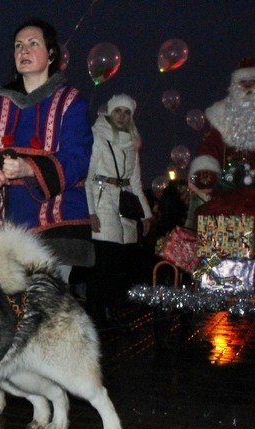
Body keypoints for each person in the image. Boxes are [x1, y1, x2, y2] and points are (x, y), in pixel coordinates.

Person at [0, 18, 93, 281]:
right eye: (18, 46)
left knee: (45, 309)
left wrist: (29, 168)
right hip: (2, 222)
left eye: (32, 44)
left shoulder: (71, 101)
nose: (23, 51)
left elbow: (77, 157)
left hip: (55, 225)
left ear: (50, 54)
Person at [186, 57, 255, 235]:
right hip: (226, 195)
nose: (247, 86)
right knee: (224, 243)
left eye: (252, 82)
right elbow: (210, 146)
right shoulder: (220, 115)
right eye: (242, 82)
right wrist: (205, 169)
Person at [85, 94, 152, 325]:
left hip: (124, 204)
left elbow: (136, 181)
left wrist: (146, 214)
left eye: (126, 113)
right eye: (118, 111)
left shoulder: (132, 143)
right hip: (103, 200)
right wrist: (90, 211)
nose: (122, 116)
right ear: (110, 113)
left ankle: (111, 310)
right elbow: (87, 177)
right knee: (104, 261)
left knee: (120, 264)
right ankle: (97, 313)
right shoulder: (97, 137)